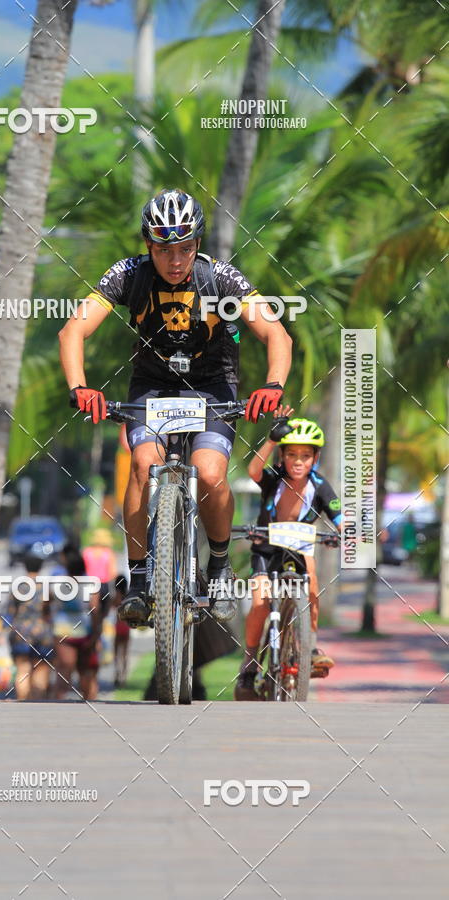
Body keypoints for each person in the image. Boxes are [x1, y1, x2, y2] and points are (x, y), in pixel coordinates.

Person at [59, 188, 292, 626]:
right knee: (144, 465)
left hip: (211, 388)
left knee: (209, 472)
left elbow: (277, 334)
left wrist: (273, 385)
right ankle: (141, 576)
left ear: (197, 245)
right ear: (149, 246)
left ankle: (220, 568)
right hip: (153, 387)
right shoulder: (128, 275)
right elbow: (73, 331)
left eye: (185, 247)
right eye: (165, 249)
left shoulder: (220, 278)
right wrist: (81, 387)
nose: (175, 259)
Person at [235, 410, 342, 700]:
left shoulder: (320, 487)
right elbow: (253, 471)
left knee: (313, 588)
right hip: (266, 550)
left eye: (305, 456)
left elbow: (339, 515)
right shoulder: (273, 478)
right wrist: (271, 440)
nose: (298, 461)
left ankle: (310, 648)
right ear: (282, 456)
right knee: (259, 603)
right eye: (291, 454)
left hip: (299, 548)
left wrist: (348, 533)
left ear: (315, 459)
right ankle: (249, 664)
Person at [52, 545, 103, 701]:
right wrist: (96, 635)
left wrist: (48, 617)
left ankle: (58, 704)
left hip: (63, 631)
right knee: (86, 673)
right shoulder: (90, 584)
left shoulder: (58, 583)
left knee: (63, 672)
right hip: (85, 631)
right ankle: (89, 703)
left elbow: (46, 604)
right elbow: (95, 611)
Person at [6, 553, 54, 701]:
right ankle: (37, 705)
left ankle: (22, 702)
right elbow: (50, 611)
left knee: (23, 669)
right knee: (41, 669)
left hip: (21, 632)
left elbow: (10, 612)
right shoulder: (46, 588)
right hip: (42, 633)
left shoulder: (18, 587)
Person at [82, 527, 118, 621]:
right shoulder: (109, 553)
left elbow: (82, 570)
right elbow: (113, 573)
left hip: (88, 585)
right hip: (103, 586)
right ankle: (99, 630)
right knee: (103, 615)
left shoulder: (86, 552)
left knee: (90, 614)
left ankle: (92, 630)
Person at [112, 574, 130, 688]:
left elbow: (111, 606)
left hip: (118, 626)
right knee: (125, 653)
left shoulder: (116, 597)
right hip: (126, 626)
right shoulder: (128, 596)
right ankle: (124, 676)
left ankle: (117, 674)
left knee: (116, 652)